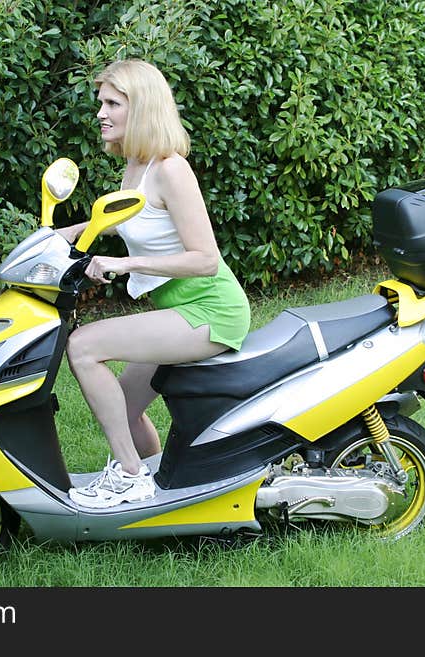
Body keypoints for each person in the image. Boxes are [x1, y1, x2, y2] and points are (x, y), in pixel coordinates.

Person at [56, 59, 251, 509]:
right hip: (177, 310)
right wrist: (70, 233)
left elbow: (205, 259)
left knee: (84, 347)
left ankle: (128, 475)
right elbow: (131, 218)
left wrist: (125, 265)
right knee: (124, 408)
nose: (100, 113)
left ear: (140, 108)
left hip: (210, 312)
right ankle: (161, 490)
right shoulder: (136, 166)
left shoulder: (170, 168)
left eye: (111, 103)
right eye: (100, 103)